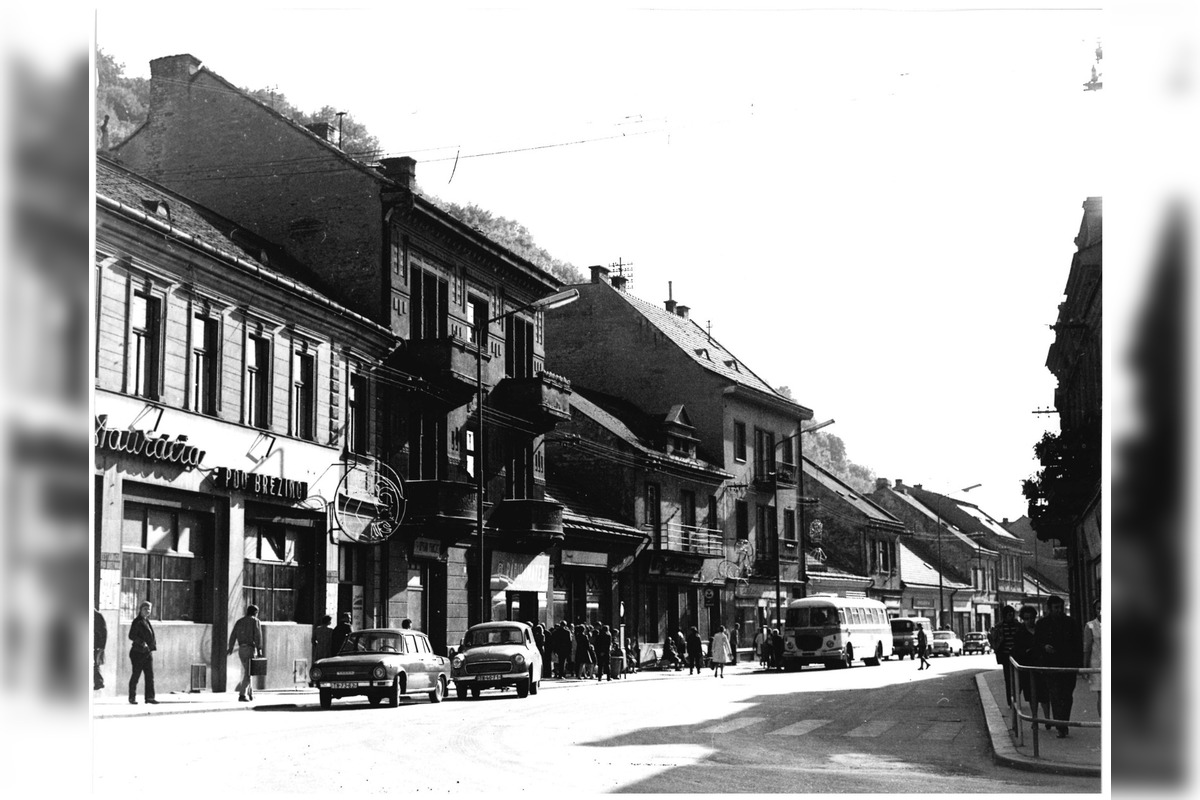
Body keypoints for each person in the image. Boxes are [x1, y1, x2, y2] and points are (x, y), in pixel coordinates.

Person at [1035, 594, 1082, 738]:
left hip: (1068, 665)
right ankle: (1060, 726)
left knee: (1067, 696)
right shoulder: (1042, 624)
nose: (1059, 610)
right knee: (1055, 695)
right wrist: (1044, 647)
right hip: (1051, 666)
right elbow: (1036, 643)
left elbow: (1077, 643)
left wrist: (1078, 665)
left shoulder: (1070, 623)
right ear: (1049, 608)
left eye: (1061, 607)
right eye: (1056, 608)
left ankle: (1064, 722)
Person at [228, 604, 264, 702]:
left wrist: (230, 647)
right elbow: (258, 635)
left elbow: (233, 635)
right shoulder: (255, 621)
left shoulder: (239, 621)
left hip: (241, 649)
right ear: (255, 613)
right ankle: (242, 694)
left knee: (248, 671)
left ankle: (250, 693)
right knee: (249, 673)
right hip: (250, 649)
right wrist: (259, 649)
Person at [990, 606, 1022, 705]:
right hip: (1005, 656)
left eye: (1012, 613)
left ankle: (1016, 696)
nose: (1010, 615)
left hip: (1017, 655)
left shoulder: (1018, 625)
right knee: (1008, 680)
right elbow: (994, 640)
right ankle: (1010, 701)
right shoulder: (999, 626)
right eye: (1008, 614)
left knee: (1019, 679)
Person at [128, 600, 158, 704]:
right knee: (136, 675)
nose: (147, 611)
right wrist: (142, 643)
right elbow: (131, 635)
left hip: (147, 653)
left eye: (149, 609)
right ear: (140, 610)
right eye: (145, 609)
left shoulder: (147, 621)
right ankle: (132, 697)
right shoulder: (137, 622)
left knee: (150, 676)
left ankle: (150, 697)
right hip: (138, 652)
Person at [1013, 605, 1041, 712]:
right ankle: (1034, 717)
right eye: (1026, 618)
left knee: (1043, 695)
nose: (1029, 621)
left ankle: (1047, 718)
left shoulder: (1040, 630)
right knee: (1031, 695)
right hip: (1027, 668)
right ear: (1023, 619)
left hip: (1040, 666)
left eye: (1031, 618)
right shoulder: (1020, 633)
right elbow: (1017, 651)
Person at [1082, 600, 1102, 718]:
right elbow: (1087, 647)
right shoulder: (1090, 625)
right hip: (1098, 663)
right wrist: (1085, 667)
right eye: (1099, 608)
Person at [94, 608, 108, 691]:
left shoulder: (97, 616)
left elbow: (103, 632)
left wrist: (101, 647)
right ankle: (98, 682)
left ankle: (99, 682)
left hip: (95, 645)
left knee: (94, 664)